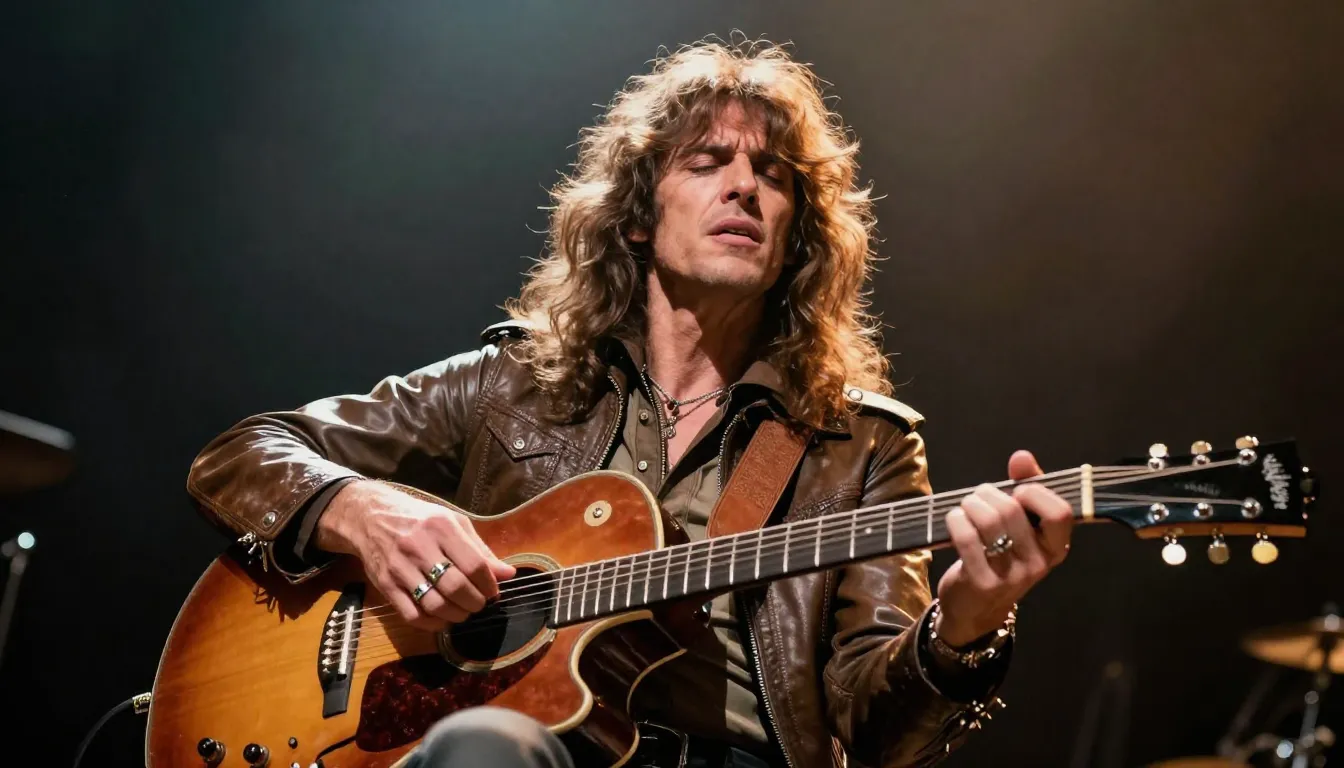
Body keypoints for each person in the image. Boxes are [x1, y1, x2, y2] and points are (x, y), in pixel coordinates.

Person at [187, 38, 1075, 768]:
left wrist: (965, 624)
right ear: (640, 216)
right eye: (708, 162)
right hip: (511, 750)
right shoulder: (515, 383)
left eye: (773, 175)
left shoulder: (859, 444)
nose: (744, 186)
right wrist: (362, 512)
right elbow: (240, 456)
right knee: (483, 746)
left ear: (795, 238)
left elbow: (878, 736)